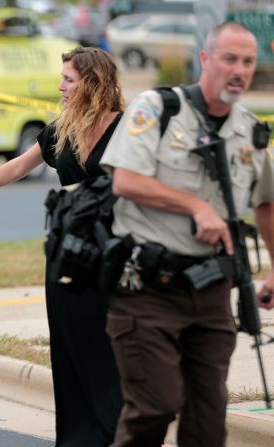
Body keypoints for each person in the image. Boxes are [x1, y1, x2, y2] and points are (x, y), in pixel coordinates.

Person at [0, 46, 125, 446]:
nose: (61, 86)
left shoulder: (126, 129)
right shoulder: (62, 128)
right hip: (68, 250)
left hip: (116, 252)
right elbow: (19, 165)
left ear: (93, 82)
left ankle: (119, 430)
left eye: (69, 79)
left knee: (113, 344)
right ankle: (79, 436)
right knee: (70, 345)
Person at [99, 22, 274, 446]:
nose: (239, 69)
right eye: (229, 58)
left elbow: (265, 203)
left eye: (248, 61)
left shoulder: (250, 131)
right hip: (148, 289)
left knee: (208, 416)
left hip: (212, 290)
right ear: (206, 59)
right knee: (155, 406)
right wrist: (195, 205)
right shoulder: (158, 109)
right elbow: (125, 180)